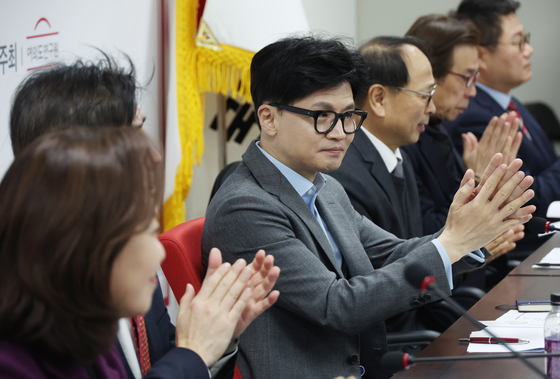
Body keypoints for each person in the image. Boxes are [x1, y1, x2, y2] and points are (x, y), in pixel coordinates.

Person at [202, 35, 535, 379]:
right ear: (269, 118)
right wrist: (451, 243)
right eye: (322, 116)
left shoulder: (325, 186)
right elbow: (337, 305)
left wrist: (469, 233)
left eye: (348, 116)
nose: (341, 133)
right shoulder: (245, 206)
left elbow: (392, 254)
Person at [8, 57, 280, 379]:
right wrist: (193, 353)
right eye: (134, 136)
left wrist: (216, 341)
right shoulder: (19, 351)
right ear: (78, 155)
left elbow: (167, 361)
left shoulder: (116, 267)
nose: (154, 155)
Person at [403, 14, 525, 266]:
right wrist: (479, 179)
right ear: (430, 75)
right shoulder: (404, 141)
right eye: (467, 78)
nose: (472, 91)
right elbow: (428, 237)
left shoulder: (439, 130)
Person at [443, 0, 559, 251]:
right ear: (481, 55)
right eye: (519, 41)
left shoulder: (508, 101)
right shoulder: (475, 117)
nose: (529, 50)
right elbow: (531, 201)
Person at [330, 36, 434, 240]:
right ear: (379, 99)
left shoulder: (398, 157)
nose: (432, 108)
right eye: (424, 95)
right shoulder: (343, 173)